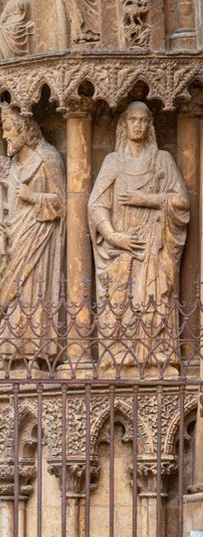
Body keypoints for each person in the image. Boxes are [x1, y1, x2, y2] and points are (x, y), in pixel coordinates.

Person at [89, 101, 190, 375]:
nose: (137, 125)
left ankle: (158, 354)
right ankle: (118, 354)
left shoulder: (162, 161)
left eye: (143, 120)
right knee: (120, 299)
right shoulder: (113, 161)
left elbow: (181, 202)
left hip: (154, 243)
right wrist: (112, 235)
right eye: (132, 119)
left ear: (150, 125)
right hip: (122, 245)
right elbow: (96, 204)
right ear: (124, 124)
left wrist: (144, 199)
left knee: (155, 297)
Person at [0, 107, 65, 375]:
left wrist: (33, 197)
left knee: (34, 289)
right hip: (14, 237)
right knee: (11, 294)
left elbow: (62, 204)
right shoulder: (9, 166)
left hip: (40, 236)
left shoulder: (48, 158)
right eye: (3, 130)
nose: (5, 135)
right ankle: (8, 352)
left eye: (9, 129)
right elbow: (6, 206)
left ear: (25, 130)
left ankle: (36, 353)